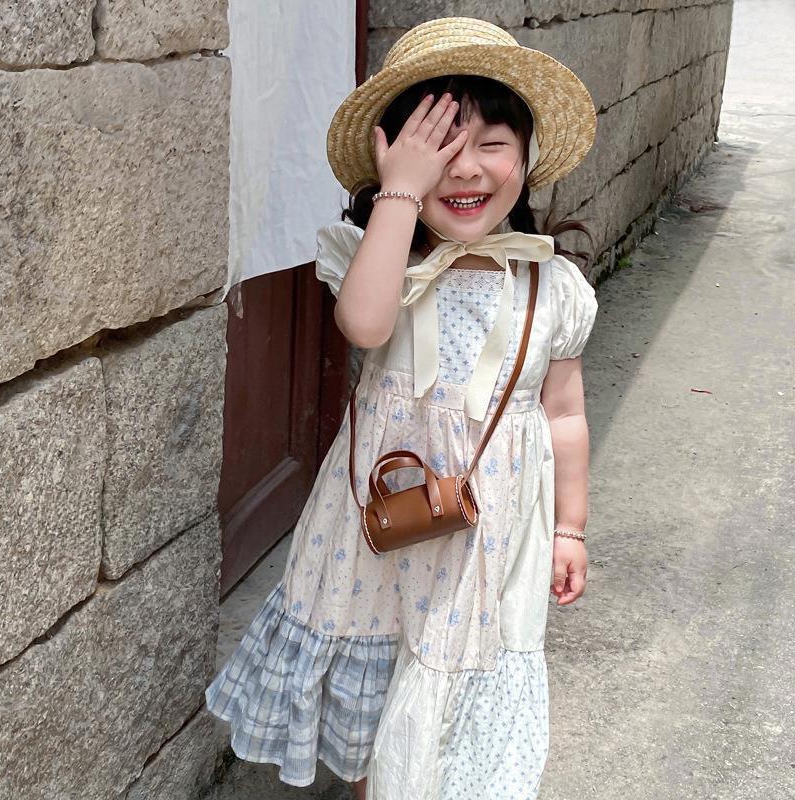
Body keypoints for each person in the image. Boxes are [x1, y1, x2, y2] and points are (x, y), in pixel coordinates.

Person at [206, 16, 599, 800]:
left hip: (491, 536)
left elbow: (563, 413)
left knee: (453, 685)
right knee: (376, 682)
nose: (466, 166)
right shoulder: (387, 263)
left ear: (527, 159)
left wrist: (570, 529)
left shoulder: (552, 287)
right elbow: (364, 324)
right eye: (437, 147)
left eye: (492, 144)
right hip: (378, 527)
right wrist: (399, 195)